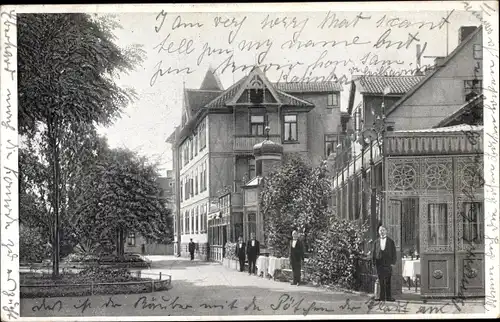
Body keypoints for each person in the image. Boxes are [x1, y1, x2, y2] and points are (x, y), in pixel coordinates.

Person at [372, 225, 397, 302]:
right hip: (379, 263)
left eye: (383, 230)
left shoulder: (391, 241)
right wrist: (373, 262)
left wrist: (393, 262)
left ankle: (388, 297)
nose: (382, 232)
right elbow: (373, 253)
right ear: (378, 232)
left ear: (386, 231)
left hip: (388, 263)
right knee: (381, 280)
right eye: (380, 230)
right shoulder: (376, 242)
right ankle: (381, 297)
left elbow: (394, 252)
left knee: (388, 280)